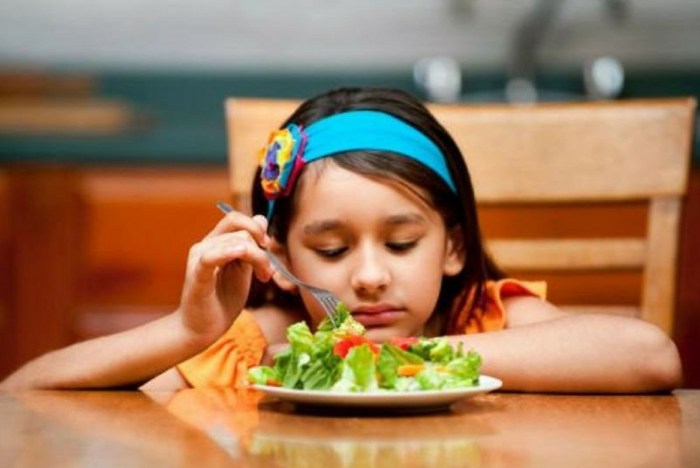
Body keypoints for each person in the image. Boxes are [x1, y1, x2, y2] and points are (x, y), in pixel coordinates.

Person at [0, 87, 682, 393]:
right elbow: (26, 391)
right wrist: (186, 331)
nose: (369, 277)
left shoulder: (484, 317)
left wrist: (413, 358)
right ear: (281, 259)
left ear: (451, 246)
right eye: (330, 250)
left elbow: (649, 356)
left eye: (401, 243)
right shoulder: (264, 349)